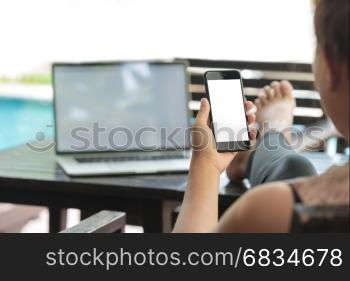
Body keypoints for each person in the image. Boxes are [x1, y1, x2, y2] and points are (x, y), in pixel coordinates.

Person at [173, 0, 349, 233]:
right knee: (294, 167)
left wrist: (205, 165)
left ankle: (268, 139)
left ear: (331, 65)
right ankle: (266, 142)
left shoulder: (270, 213)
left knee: (295, 169)